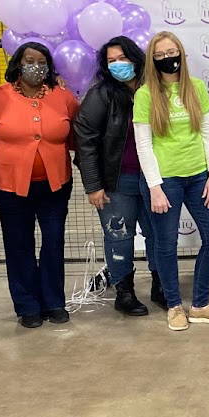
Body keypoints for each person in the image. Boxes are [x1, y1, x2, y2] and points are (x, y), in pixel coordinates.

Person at [134, 32, 209, 332]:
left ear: (182, 54)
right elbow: (143, 144)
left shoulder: (197, 88)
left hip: (199, 175)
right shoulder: (145, 95)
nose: (168, 58)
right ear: (153, 59)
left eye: (172, 51)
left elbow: (207, 132)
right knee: (166, 245)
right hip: (165, 181)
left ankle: (200, 304)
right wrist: (154, 186)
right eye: (160, 54)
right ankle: (174, 305)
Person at [0, 42, 78, 328]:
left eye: (42, 62)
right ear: (17, 63)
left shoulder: (62, 96)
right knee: (18, 244)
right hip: (10, 187)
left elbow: (76, 135)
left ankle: (54, 302)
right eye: (29, 60)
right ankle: (27, 305)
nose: (35, 66)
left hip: (54, 185)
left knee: (53, 242)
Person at [73, 35, 157, 316]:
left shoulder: (153, 89)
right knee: (119, 236)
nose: (118, 64)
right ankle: (125, 291)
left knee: (158, 235)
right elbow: (85, 140)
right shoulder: (100, 95)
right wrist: (93, 186)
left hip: (154, 180)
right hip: (117, 182)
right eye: (111, 61)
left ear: (136, 58)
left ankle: (161, 285)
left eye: (123, 58)